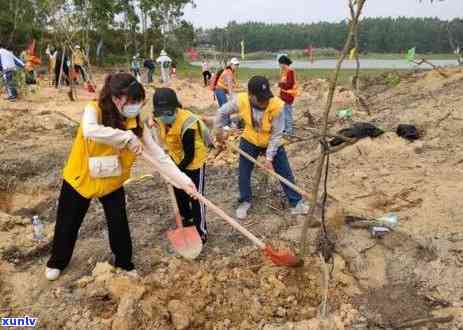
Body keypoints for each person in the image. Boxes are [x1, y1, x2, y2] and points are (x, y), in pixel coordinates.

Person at [45, 73, 197, 281]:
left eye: (138, 102)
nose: (136, 106)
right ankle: (57, 261)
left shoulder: (135, 122)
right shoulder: (94, 109)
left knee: (118, 223)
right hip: (81, 177)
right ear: (117, 98)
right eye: (132, 101)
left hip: (111, 179)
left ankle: (124, 263)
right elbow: (90, 130)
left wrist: (184, 183)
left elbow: (159, 157)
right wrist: (125, 137)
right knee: (68, 222)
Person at [214, 76, 309, 220]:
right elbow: (221, 112)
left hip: (271, 140)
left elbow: (277, 134)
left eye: (266, 98)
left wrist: (269, 157)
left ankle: (296, 202)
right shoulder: (242, 100)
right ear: (251, 96)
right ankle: (245, 201)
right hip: (250, 139)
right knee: (244, 171)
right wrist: (218, 131)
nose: (265, 102)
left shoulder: (277, 105)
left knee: (284, 170)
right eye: (260, 99)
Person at [150, 88, 209, 243]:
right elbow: (151, 119)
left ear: (176, 108)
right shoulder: (160, 117)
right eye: (160, 113)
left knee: (196, 197)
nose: (164, 116)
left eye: (168, 112)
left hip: (193, 162)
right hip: (176, 159)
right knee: (179, 192)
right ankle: (187, 219)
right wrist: (152, 121)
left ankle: (201, 231)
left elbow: (189, 155)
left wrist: (174, 172)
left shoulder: (188, 123)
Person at [278, 55, 298, 135]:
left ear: (283, 63)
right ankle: (285, 129)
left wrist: (280, 84)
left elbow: (289, 84)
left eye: (280, 64)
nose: (279, 66)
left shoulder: (290, 71)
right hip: (284, 96)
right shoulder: (285, 72)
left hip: (288, 96)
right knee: (283, 114)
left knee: (287, 114)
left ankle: (289, 131)